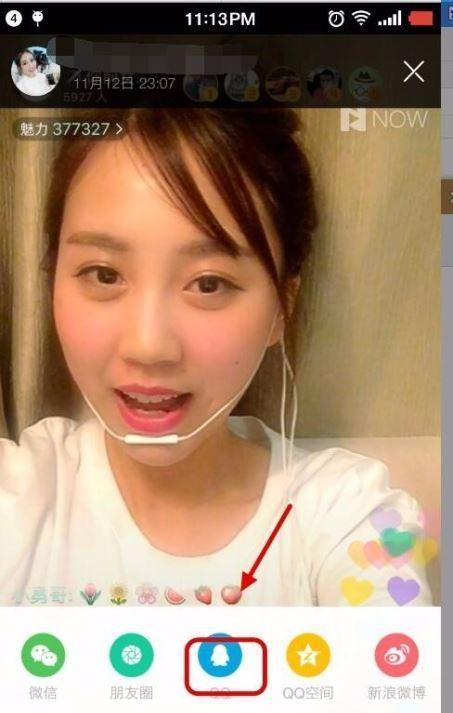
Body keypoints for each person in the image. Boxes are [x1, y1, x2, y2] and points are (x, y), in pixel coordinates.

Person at [0, 109, 433, 607]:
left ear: (282, 307)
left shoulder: (351, 513)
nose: (148, 347)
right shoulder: (19, 499)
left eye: (209, 284)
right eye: (103, 274)